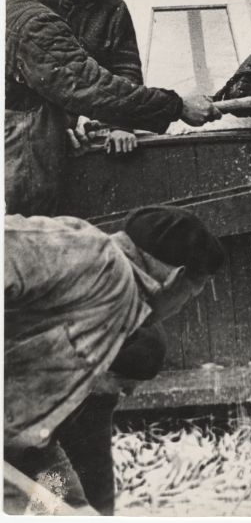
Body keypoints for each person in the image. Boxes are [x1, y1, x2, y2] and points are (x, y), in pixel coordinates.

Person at [4, 206, 225, 514]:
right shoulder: (99, 259)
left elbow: (34, 444)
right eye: (190, 296)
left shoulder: (114, 311)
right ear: (177, 277)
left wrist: (68, 509)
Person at [5, 0, 222, 217]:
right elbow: (92, 88)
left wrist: (58, 128)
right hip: (21, 178)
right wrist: (177, 106)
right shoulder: (34, 21)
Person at [59, 0, 144, 155]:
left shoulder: (112, 5)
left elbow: (127, 69)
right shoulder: (39, 7)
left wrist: (122, 125)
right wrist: (57, 125)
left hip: (101, 119)